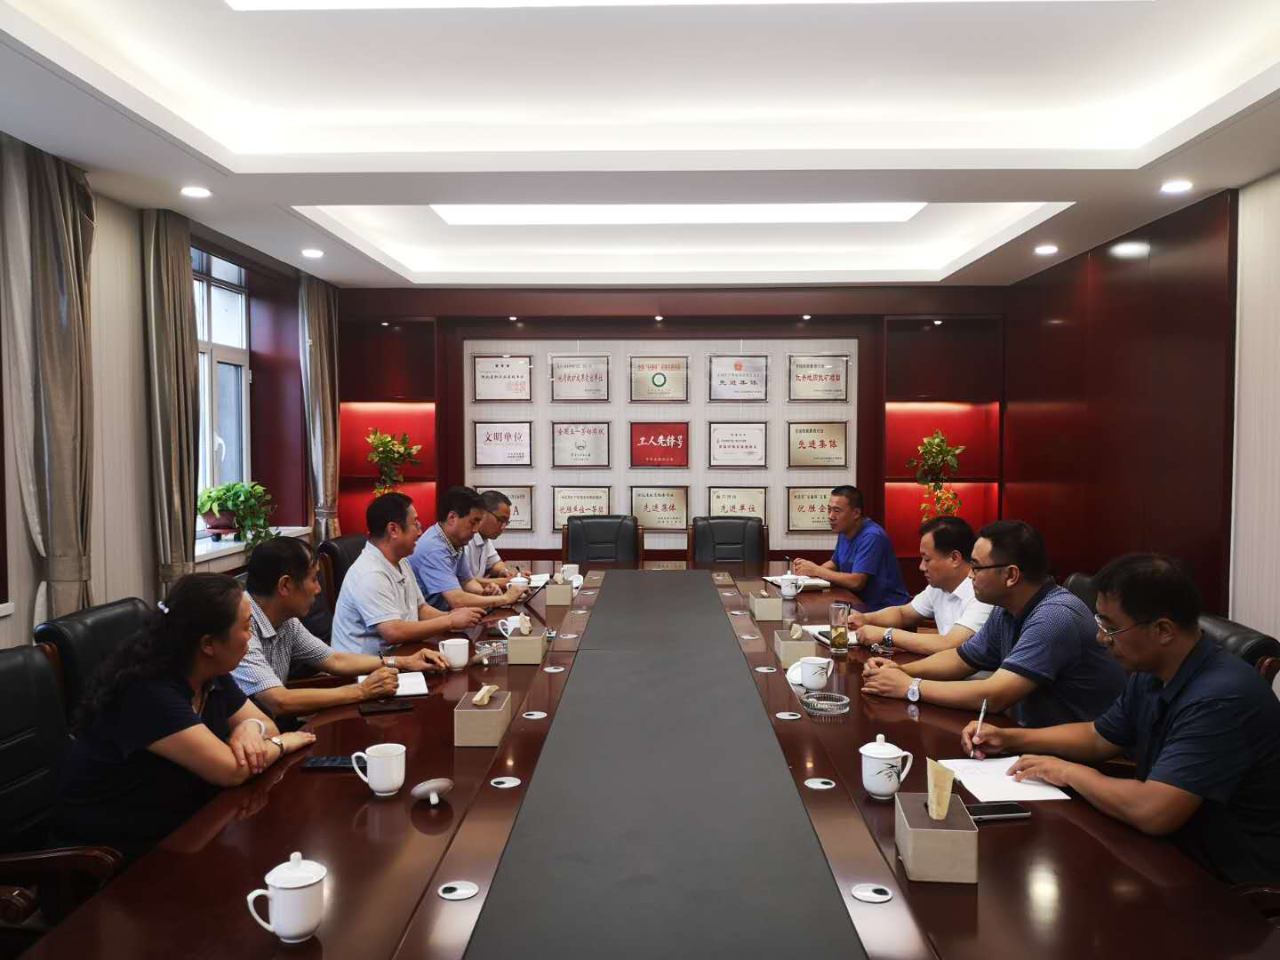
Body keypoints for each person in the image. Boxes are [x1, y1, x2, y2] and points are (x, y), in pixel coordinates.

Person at [963, 554, 1280, 884]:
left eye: (1111, 627)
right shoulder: (1154, 669)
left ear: (1163, 630)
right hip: (1163, 851)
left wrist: (1069, 772)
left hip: (1223, 879)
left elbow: (1154, 812)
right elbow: (1099, 736)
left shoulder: (1220, 698)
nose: (1101, 638)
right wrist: (1010, 738)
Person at [53, 574, 317, 857]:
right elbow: (232, 771)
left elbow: (267, 725)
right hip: (112, 858)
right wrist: (284, 743)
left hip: (183, 828)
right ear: (208, 644)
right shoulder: (147, 693)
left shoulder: (209, 673)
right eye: (246, 627)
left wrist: (250, 728)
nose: (251, 636)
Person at [861, 520, 1125, 726]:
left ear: (1011, 575)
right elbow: (961, 659)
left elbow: (995, 695)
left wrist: (909, 687)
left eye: (976, 568)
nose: (970, 576)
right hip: (1029, 733)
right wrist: (900, 670)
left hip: (1079, 754)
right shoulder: (1006, 609)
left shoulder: (1054, 617)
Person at [232, 536, 448, 719]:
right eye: (313, 579)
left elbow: (334, 660)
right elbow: (278, 701)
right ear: (285, 585)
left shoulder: (286, 621)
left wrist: (402, 662)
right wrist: (361, 691)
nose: (318, 589)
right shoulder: (240, 627)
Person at [331, 492, 483, 656]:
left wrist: (453, 617)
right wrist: (450, 621)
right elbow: (393, 631)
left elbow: (420, 609)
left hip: (400, 654)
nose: (420, 532)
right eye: (415, 524)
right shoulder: (370, 573)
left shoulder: (401, 560)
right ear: (393, 530)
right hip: (366, 666)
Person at [851, 517, 994, 655]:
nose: (921, 567)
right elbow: (903, 614)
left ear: (954, 558)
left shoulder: (982, 592)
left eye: (927, 559)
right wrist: (865, 619)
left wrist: (887, 635)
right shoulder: (939, 586)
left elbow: (951, 645)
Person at [792, 484, 910, 612]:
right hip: (858, 603)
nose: (830, 516)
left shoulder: (872, 536)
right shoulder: (845, 530)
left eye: (837, 511)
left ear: (856, 513)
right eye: (829, 510)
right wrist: (808, 573)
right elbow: (835, 563)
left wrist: (816, 570)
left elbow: (856, 582)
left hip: (886, 609)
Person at [408, 485, 528, 612]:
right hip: (430, 618)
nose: (476, 529)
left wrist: (484, 593)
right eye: (473, 522)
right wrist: (505, 598)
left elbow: (467, 581)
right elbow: (457, 600)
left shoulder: (455, 540)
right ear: (452, 518)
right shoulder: (434, 549)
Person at [464, 489, 518, 588]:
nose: (503, 527)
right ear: (483, 513)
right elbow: (463, 581)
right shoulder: (464, 539)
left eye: (506, 522)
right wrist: (502, 582)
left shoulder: (485, 538)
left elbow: (495, 563)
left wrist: (504, 571)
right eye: (500, 520)